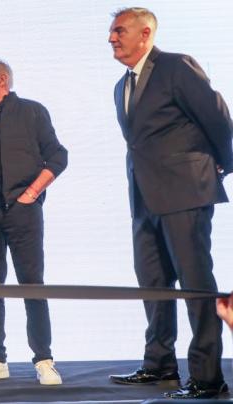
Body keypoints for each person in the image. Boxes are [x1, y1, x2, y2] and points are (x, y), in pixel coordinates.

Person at [107, 7, 232, 400]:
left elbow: (218, 118)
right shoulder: (121, 86)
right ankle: (159, 364)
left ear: (145, 34)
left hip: (185, 192)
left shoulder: (177, 66)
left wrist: (220, 165)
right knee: (153, 283)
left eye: (119, 31)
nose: (112, 38)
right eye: (111, 32)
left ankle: (207, 377)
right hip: (143, 198)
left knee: (195, 285)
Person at [0, 59, 67, 386]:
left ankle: (44, 359)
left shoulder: (32, 112)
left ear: (2, 80)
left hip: (22, 212)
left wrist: (32, 193)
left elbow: (58, 157)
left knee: (32, 283)